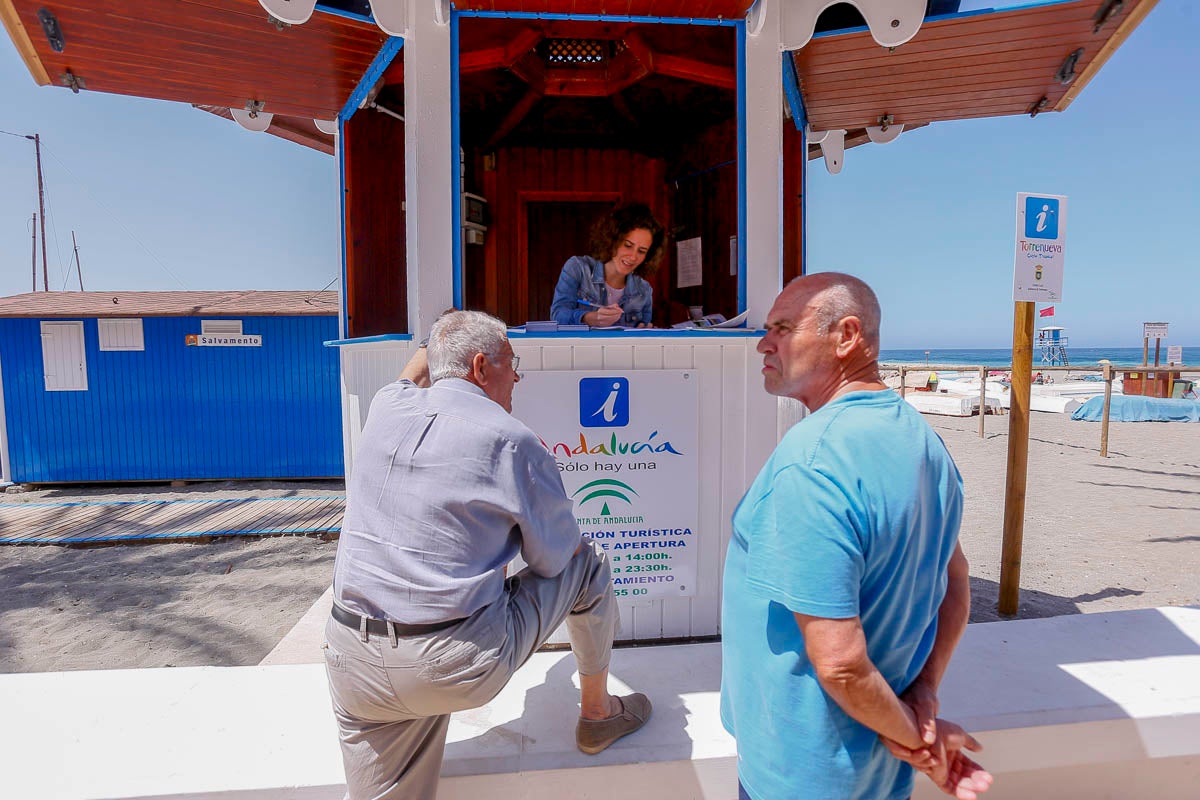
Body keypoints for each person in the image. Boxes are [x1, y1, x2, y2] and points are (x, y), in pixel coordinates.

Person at [324, 310, 651, 800]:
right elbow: (556, 560)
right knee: (588, 561)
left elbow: (415, 371)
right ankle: (598, 714)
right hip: (449, 665)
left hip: (352, 660)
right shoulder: (512, 441)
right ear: (480, 366)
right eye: (511, 362)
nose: (516, 376)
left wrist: (436, 337)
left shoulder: (387, 405)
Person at [720, 273, 993, 800]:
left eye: (783, 328)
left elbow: (841, 664)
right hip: (874, 772)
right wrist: (924, 693)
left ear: (846, 336)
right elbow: (956, 582)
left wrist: (918, 741)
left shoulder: (812, 461)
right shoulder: (923, 441)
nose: (763, 343)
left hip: (802, 773)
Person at [550, 202, 664, 328]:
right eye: (628, 245)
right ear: (612, 240)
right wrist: (588, 318)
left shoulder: (644, 290)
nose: (633, 257)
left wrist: (646, 333)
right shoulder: (578, 268)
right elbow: (557, 316)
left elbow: (643, 333)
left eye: (641, 251)